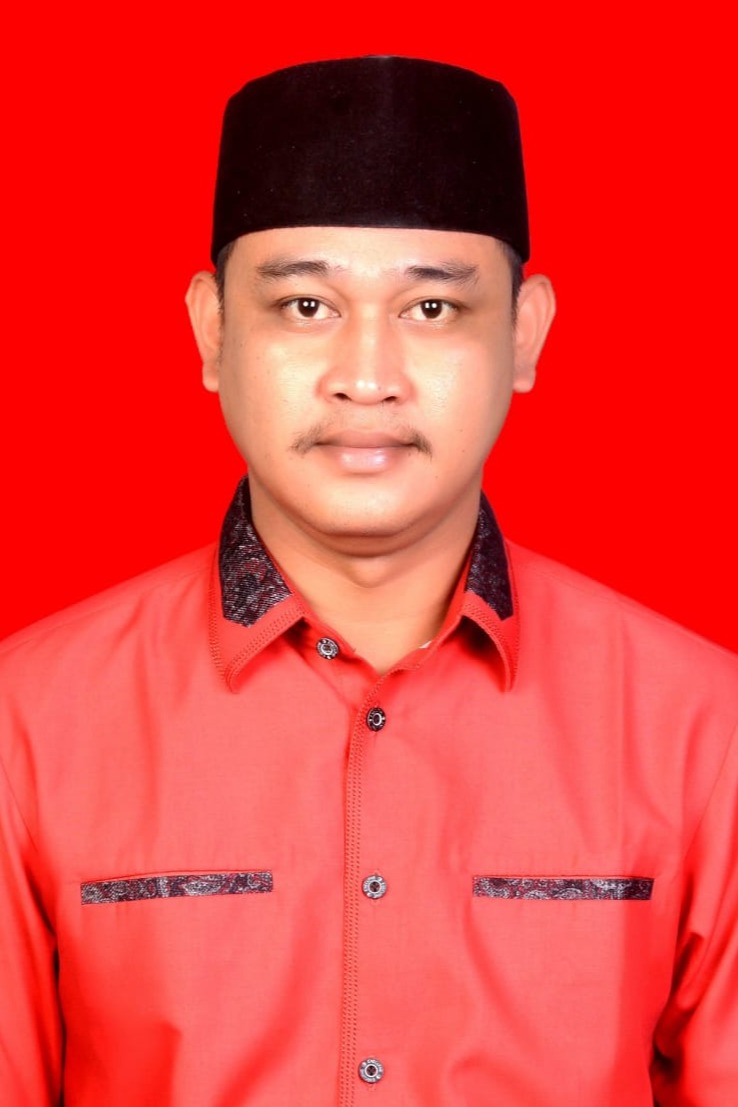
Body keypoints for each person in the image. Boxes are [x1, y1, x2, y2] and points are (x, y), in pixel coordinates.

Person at [0, 55, 736, 1107]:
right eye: (305, 304)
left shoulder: (704, 733)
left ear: (524, 333)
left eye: (431, 309)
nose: (367, 375)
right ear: (213, 330)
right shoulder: (26, 727)